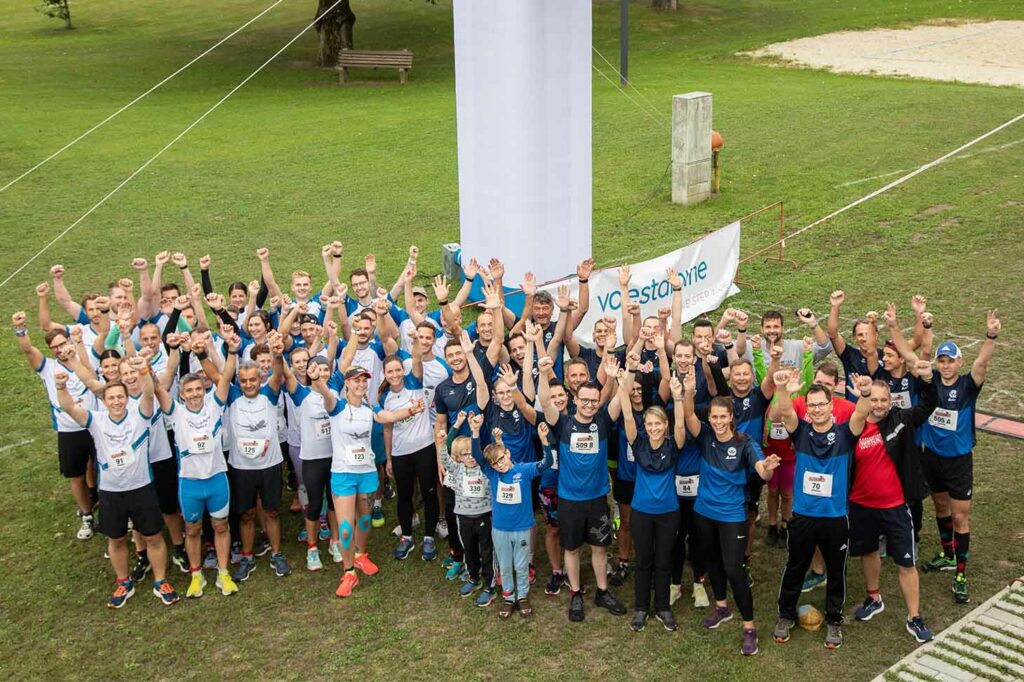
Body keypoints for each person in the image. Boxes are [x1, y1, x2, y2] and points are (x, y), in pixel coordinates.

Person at [55, 357, 180, 608]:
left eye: (120, 397)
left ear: (126, 398)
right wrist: (60, 386)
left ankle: (161, 581)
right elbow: (68, 407)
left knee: (154, 537)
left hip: (142, 487)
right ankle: (123, 582)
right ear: (104, 401)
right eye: (111, 398)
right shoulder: (95, 420)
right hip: (111, 492)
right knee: (117, 539)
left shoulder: (140, 415)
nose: (116, 401)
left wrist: (143, 369)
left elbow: (147, 391)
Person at [770, 370, 872, 649]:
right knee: (795, 567)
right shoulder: (801, 432)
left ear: (831, 405)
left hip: (835, 517)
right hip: (803, 515)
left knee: (836, 572)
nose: (815, 409)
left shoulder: (844, 434)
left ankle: (834, 620)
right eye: (811, 405)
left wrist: (864, 393)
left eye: (820, 404)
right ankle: (785, 615)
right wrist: (782, 389)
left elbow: (862, 414)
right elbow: (784, 412)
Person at [681, 370, 779, 655]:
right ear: (709, 418)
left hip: (732, 515)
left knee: (734, 570)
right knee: (712, 562)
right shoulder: (706, 437)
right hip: (704, 512)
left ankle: (750, 627)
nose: (719, 421)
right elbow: (688, 417)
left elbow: (761, 468)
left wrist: (768, 468)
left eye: (723, 417)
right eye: (714, 417)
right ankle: (722, 608)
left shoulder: (745, 442)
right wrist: (688, 391)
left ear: (731, 418)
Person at [309, 364, 424, 598]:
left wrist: (411, 410)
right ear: (347, 384)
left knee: (364, 521)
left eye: (364, 381)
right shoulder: (336, 406)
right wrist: (316, 380)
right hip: (343, 475)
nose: (361, 384)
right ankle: (349, 572)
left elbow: (388, 416)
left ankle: (360, 555)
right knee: (344, 528)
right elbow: (325, 392)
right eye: (356, 380)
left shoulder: (370, 408)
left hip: (368, 474)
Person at [849, 349, 938, 643]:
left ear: (891, 402)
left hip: (896, 507)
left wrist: (927, 379)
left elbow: (928, 404)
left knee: (906, 563)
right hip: (862, 505)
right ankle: (874, 598)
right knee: (868, 552)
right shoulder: (855, 426)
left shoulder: (902, 418)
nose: (879, 405)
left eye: (883, 400)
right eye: (873, 399)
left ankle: (915, 617)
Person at [916, 310, 1001, 605]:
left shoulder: (968, 385)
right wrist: (924, 325)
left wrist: (990, 335)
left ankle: (960, 573)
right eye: (942, 360)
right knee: (940, 507)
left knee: (960, 516)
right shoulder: (930, 383)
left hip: (959, 461)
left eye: (950, 360)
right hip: (932, 458)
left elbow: (983, 362)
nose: (946, 365)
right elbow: (917, 354)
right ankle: (947, 553)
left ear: (959, 363)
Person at [539, 356, 627, 622]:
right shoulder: (563, 424)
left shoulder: (602, 422)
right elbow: (544, 402)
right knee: (572, 548)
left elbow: (622, 398)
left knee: (600, 549)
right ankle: (576, 593)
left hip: (597, 498)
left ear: (598, 401)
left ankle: (602, 592)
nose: (589, 405)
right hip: (569, 500)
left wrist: (620, 377)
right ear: (574, 399)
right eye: (584, 400)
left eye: (594, 400)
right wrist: (544, 374)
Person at [199, 331, 291, 582]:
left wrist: (279, 355)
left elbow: (279, 372)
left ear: (261, 377)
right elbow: (214, 375)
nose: (249, 384)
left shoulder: (270, 393)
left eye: (253, 379)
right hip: (241, 467)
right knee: (247, 513)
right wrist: (199, 353)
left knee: (271, 512)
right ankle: (248, 556)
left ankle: (276, 553)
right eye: (244, 380)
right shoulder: (233, 396)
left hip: (270, 464)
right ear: (239, 381)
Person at [156, 333, 239, 598]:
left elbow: (224, 378)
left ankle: (223, 573)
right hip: (190, 483)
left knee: (221, 526)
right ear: (181, 395)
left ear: (204, 390)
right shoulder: (175, 412)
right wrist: (160, 357)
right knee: (192, 530)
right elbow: (157, 388)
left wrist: (230, 351)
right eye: (189, 391)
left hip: (216, 479)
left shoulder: (215, 406)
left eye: (198, 389)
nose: (194, 394)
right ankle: (196, 575)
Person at [13, 311, 98, 539]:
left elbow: (90, 374)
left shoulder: (84, 356)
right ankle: (87, 515)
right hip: (69, 431)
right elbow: (29, 350)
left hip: (94, 425)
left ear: (69, 341)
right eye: (55, 348)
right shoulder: (47, 367)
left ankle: (113, 510)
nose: (60, 350)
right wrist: (21, 329)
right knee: (76, 475)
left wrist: (77, 349)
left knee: (103, 470)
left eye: (63, 344)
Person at [619, 365, 687, 632]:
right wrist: (623, 385)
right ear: (644, 426)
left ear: (665, 425)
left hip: (669, 512)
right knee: (644, 560)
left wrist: (678, 397)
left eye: (658, 423)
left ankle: (663, 607)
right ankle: (640, 608)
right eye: (649, 423)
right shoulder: (638, 441)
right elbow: (626, 416)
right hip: (642, 512)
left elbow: (681, 423)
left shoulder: (674, 444)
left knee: (663, 561)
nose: (654, 427)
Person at [468, 416, 554, 619]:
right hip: (500, 529)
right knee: (505, 566)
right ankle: (508, 596)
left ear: (507, 454)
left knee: (521, 564)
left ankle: (522, 595)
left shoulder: (523, 470)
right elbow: (477, 456)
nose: (499, 465)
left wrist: (544, 440)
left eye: (501, 459)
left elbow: (547, 462)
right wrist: (475, 432)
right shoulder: (493, 475)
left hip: (522, 527)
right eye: (494, 464)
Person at [381, 334, 440, 561]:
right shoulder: (384, 396)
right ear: (385, 374)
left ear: (403, 371)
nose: (395, 375)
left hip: (424, 447)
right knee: (405, 496)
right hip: (400, 453)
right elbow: (387, 429)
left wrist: (415, 340)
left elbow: (416, 358)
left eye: (398, 370)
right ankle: (406, 536)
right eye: (390, 372)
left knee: (429, 492)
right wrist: (388, 458)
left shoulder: (414, 381)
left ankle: (428, 537)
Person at [443, 413, 496, 607]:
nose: (470, 456)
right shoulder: (457, 469)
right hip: (463, 518)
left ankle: (490, 585)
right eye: (464, 454)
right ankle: (473, 577)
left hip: (484, 515)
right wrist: (442, 442)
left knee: (487, 551)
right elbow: (445, 455)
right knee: (470, 550)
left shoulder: (484, 468)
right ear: (458, 457)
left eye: (472, 452)